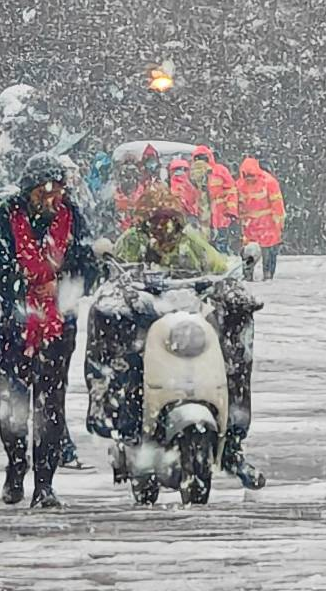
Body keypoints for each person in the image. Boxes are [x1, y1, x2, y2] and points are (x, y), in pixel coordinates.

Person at [98, 177, 260, 488]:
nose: (164, 228)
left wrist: (232, 282)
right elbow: (114, 277)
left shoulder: (193, 243)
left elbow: (220, 267)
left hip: (188, 325)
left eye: (170, 220)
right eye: (156, 221)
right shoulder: (131, 243)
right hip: (148, 328)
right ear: (144, 223)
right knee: (131, 368)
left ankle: (233, 445)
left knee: (234, 366)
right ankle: (132, 434)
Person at [0, 154, 94, 505]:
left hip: (56, 327)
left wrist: (64, 284)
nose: (51, 199)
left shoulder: (73, 221)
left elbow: (88, 269)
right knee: (10, 406)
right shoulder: (2, 220)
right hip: (11, 325)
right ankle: (15, 465)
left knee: (50, 407)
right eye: (44, 192)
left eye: (57, 191)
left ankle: (45, 482)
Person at [234, 155, 286, 279]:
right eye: (247, 176)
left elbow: (277, 203)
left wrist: (278, 222)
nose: (249, 179)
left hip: (268, 223)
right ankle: (247, 275)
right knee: (248, 252)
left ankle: (268, 275)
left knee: (269, 251)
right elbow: (236, 203)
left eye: (251, 175)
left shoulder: (269, 182)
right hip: (250, 225)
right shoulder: (239, 184)